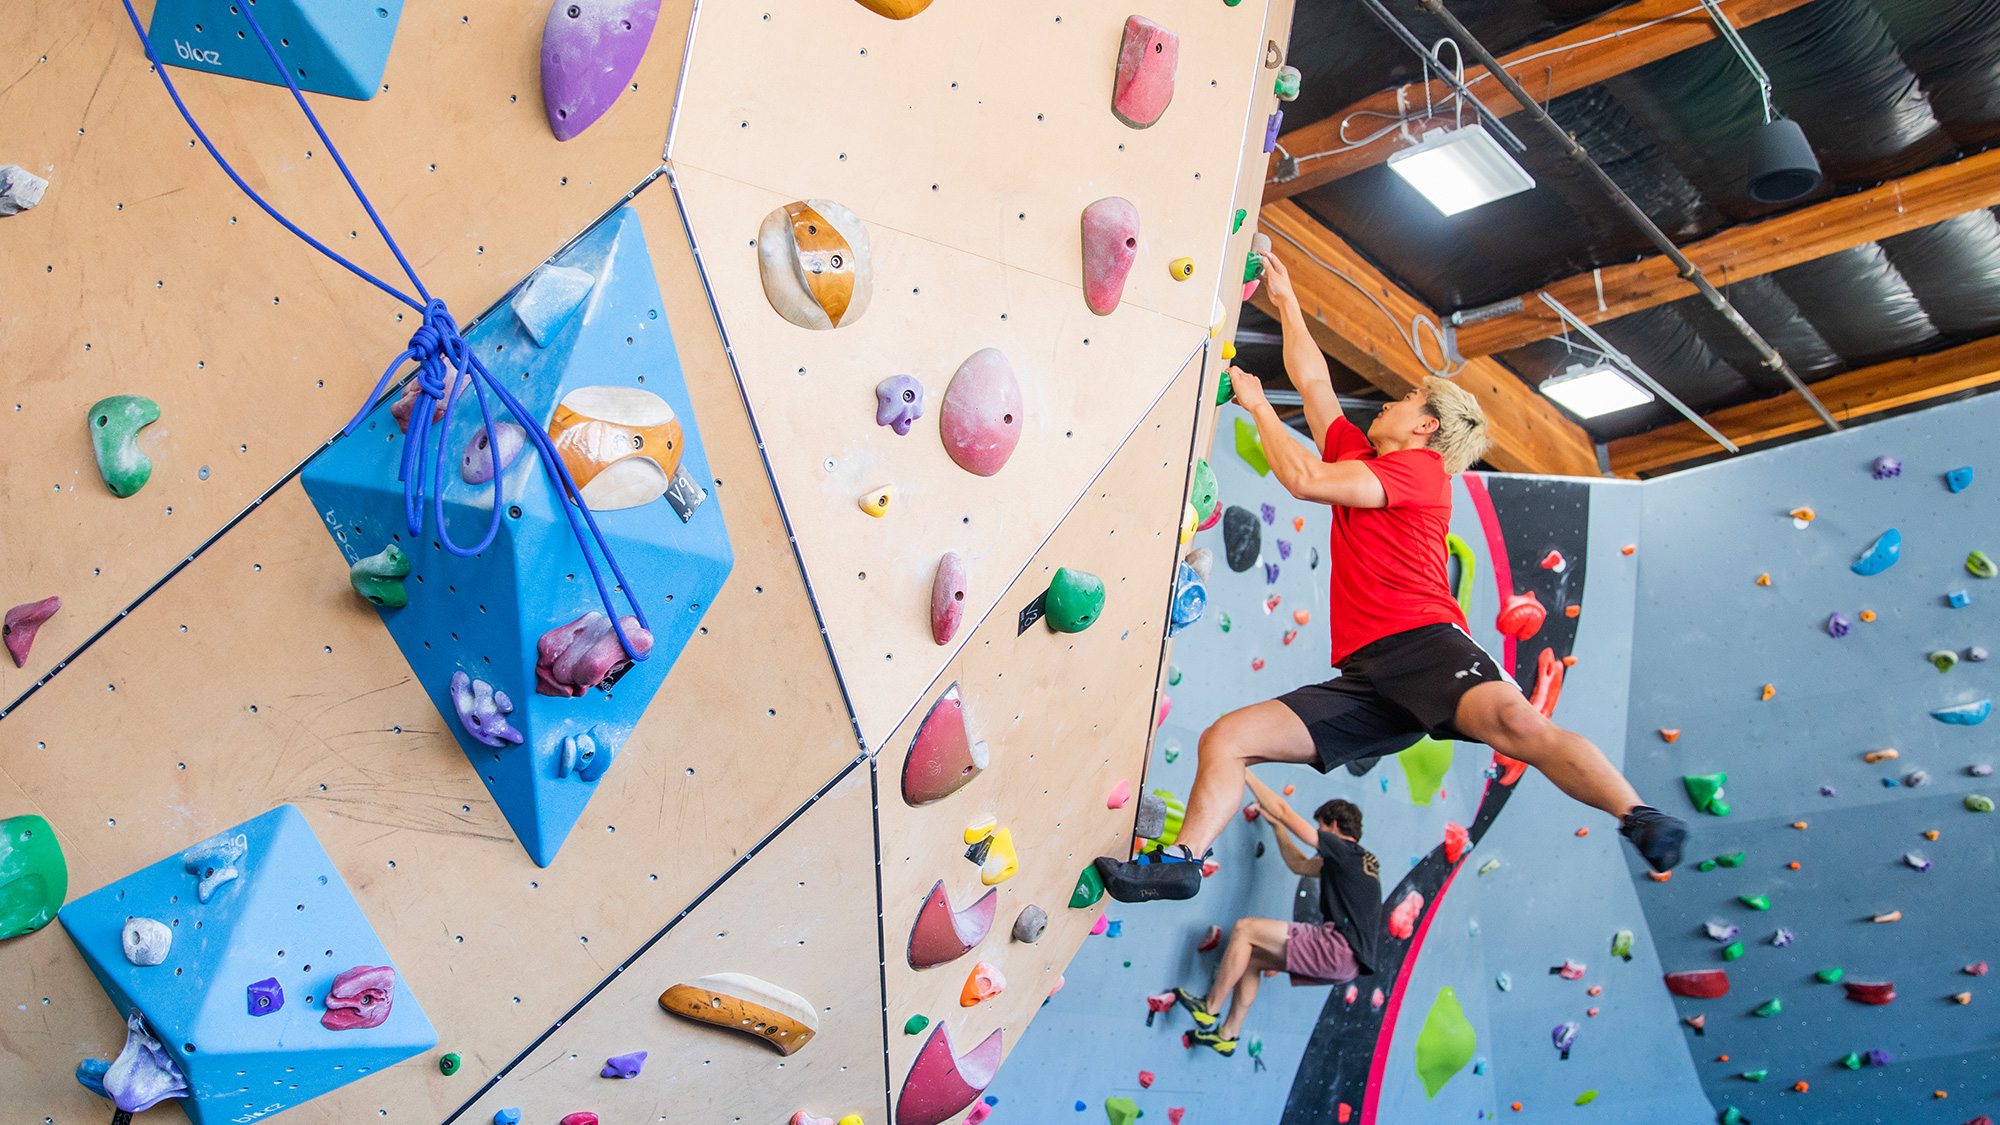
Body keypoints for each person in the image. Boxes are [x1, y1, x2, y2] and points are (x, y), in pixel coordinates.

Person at [1096, 251, 1685, 903]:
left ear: (1427, 425)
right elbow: (1316, 385)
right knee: (1227, 738)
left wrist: (1259, 405)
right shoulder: (1365, 456)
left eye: (1407, 399)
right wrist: (1288, 300)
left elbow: (1303, 479)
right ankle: (1181, 862)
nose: (1391, 401)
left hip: (1429, 649)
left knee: (1520, 726)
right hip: (1369, 677)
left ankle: (1638, 814)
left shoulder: (1422, 473)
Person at [1173, 773, 1379, 1055]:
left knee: (1245, 928)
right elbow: (1300, 865)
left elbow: (1284, 810)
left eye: (1320, 826)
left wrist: (1243, 770)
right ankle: (1228, 1035)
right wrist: (1277, 828)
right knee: (1252, 959)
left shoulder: (1344, 850)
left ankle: (1209, 1008)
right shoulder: (1358, 862)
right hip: (1348, 965)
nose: (1318, 832)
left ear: (1332, 826)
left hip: (1338, 947)